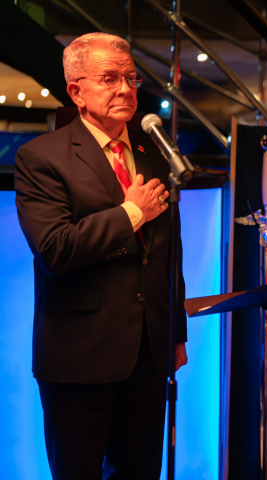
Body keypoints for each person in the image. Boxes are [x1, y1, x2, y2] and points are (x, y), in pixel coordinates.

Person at [14, 32, 188, 479]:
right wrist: (132, 212)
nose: (125, 89)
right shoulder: (41, 157)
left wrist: (175, 332)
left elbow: (169, 251)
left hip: (149, 352)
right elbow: (55, 250)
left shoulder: (153, 152)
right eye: (110, 79)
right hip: (79, 354)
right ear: (76, 91)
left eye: (131, 78)